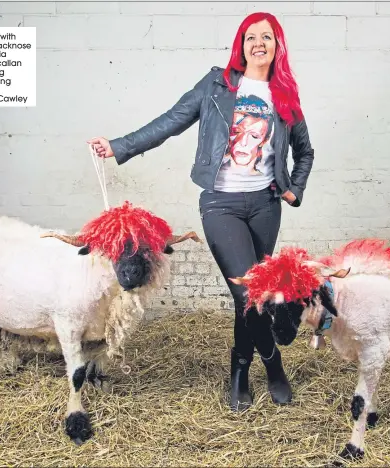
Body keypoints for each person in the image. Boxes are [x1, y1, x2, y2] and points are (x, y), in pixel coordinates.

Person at [88, 12, 315, 412]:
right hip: (220, 204)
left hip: (265, 206)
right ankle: (265, 366)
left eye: (266, 37)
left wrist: (294, 189)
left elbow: (305, 151)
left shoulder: (285, 96)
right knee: (248, 293)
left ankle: (245, 369)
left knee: (254, 296)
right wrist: (119, 145)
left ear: (278, 45)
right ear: (241, 45)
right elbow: (172, 121)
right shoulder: (218, 84)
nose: (258, 43)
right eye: (250, 37)